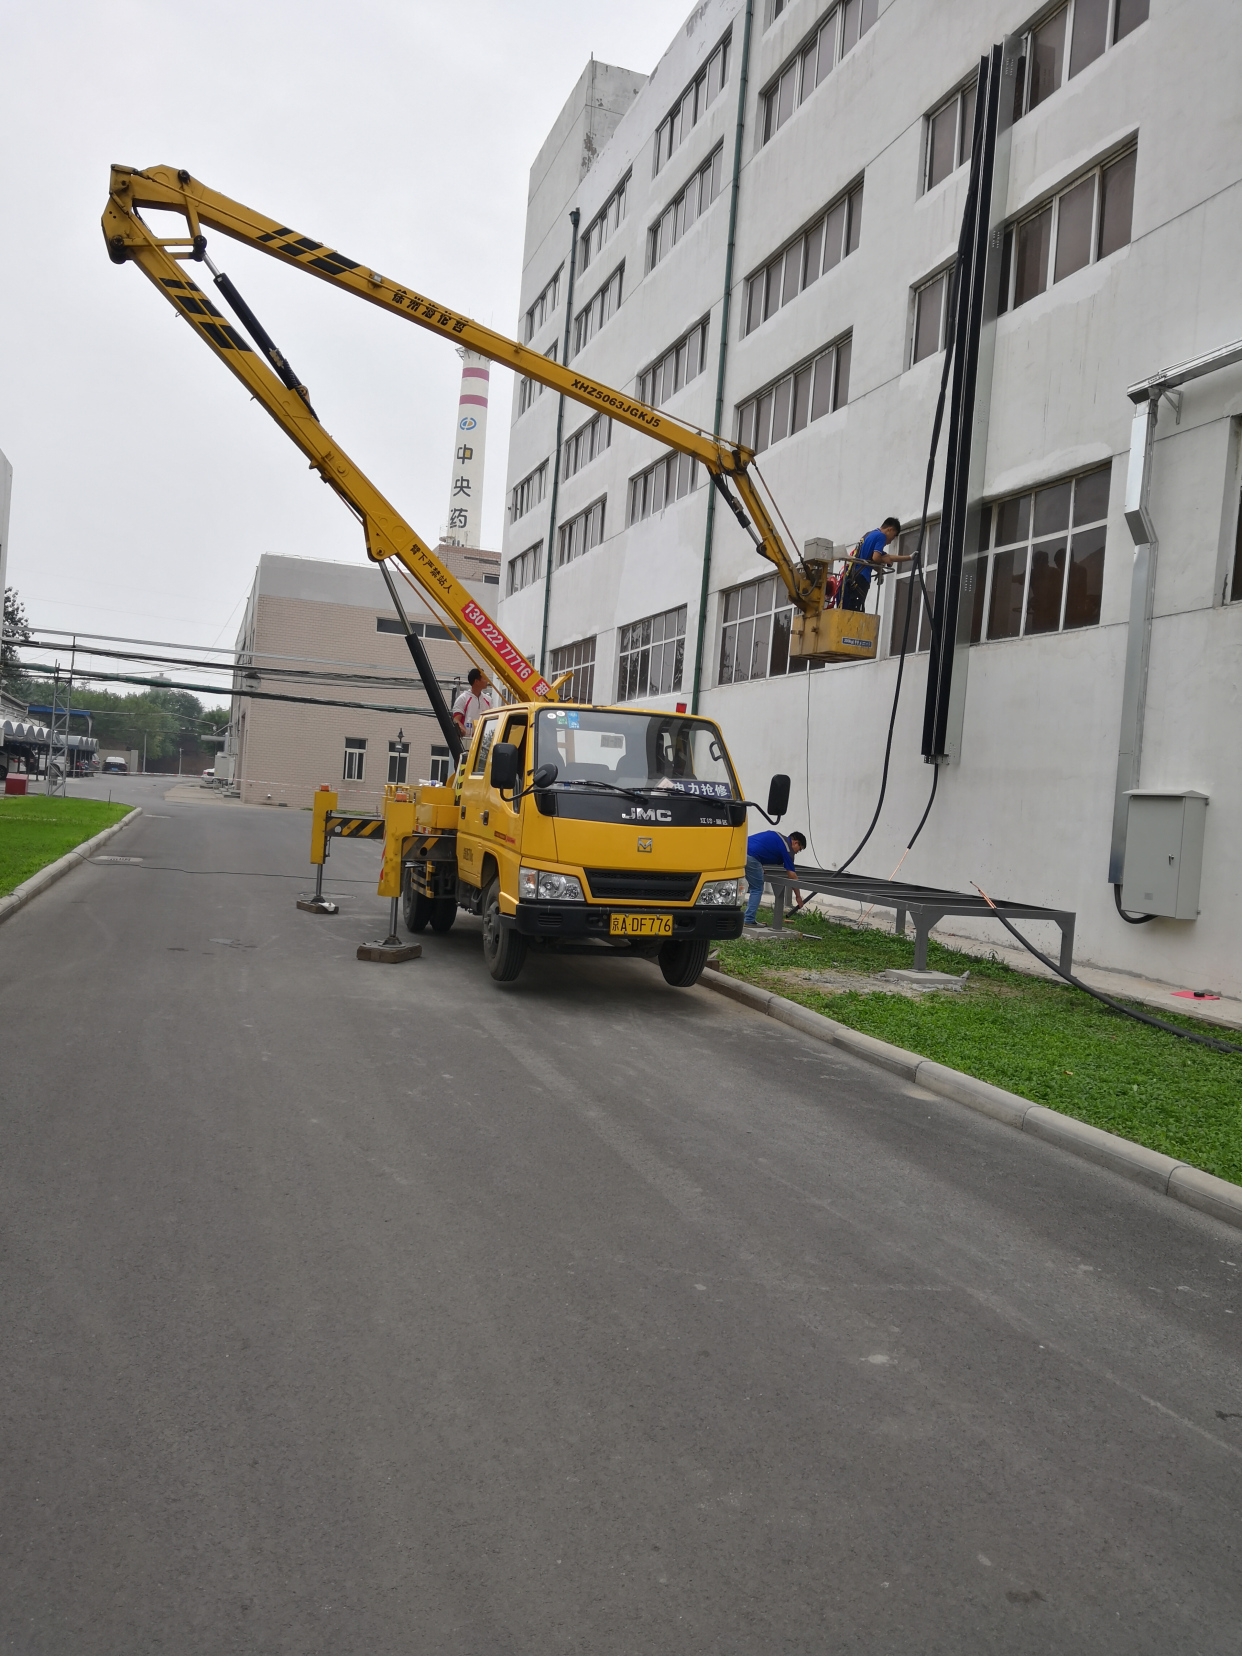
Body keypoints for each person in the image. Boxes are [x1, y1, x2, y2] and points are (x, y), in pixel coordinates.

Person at [841, 517, 910, 612]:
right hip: (861, 578)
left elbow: (885, 557)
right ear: (890, 529)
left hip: (852, 576)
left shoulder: (869, 535)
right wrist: (884, 561)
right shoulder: (881, 536)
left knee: (850, 608)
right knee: (856, 611)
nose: (890, 541)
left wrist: (909, 557)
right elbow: (876, 558)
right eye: (893, 537)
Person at [744, 828, 807, 928]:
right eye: (798, 850)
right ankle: (749, 920)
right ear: (795, 843)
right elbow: (792, 876)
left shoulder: (778, 837)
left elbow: (762, 848)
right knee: (757, 889)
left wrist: (760, 866)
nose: (796, 853)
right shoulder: (788, 849)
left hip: (740, 850)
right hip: (751, 857)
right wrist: (798, 897)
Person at [452, 667, 498, 739]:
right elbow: (456, 719)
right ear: (476, 681)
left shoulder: (488, 700)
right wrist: (464, 731)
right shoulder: (463, 698)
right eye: (484, 678)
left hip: (483, 741)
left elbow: (493, 719)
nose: (487, 681)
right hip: (467, 740)